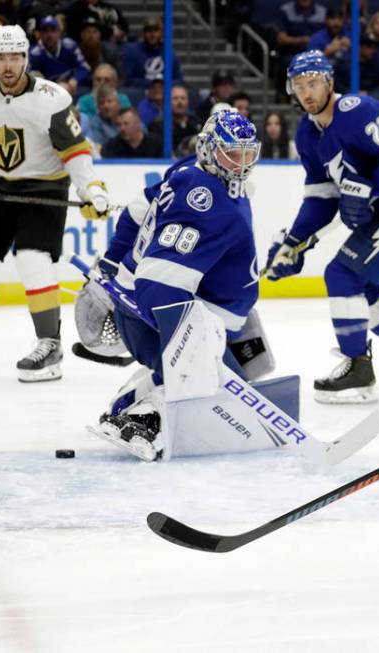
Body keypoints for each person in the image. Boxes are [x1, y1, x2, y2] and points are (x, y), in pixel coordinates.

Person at [264, 51, 379, 403]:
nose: (307, 92)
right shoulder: (307, 134)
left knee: (341, 275)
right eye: (299, 85)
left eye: (314, 83)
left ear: (330, 82)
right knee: (359, 285)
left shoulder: (356, 110)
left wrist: (368, 189)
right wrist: (295, 240)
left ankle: (358, 370)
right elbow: (322, 197)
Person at [90, 111, 267, 462]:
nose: (241, 164)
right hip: (156, 317)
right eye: (232, 153)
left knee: (248, 378)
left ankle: (136, 394)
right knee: (217, 399)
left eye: (248, 154)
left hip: (198, 313)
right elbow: (159, 284)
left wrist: (112, 261)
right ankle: (143, 416)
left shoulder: (191, 170)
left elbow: (136, 211)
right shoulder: (204, 198)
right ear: (208, 150)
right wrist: (189, 351)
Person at [0, 24, 110, 382]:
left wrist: (91, 189)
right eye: (0, 57)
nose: (8, 65)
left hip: (44, 189)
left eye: (15, 57)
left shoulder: (50, 98)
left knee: (31, 259)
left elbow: (75, 151)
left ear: (26, 58)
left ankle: (50, 345)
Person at [27, 15, 90, 94]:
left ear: (59, 32)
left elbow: (85, 67)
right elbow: (29, 79)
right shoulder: (34, 54)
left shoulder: (70, 45)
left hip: (72, 87)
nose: (49, 35)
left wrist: (75, 79)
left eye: (53, 30)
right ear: (40, 34)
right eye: (45, 31)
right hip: (47, 93)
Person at [121, 16, 183, 88]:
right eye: (149, 30)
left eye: (156, 30)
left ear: (161, 33)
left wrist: (161, 85)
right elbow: (127, 80)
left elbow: (179, 80)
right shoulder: (132, 51)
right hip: (139, 94)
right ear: (143, 33)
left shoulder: (169, 52)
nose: (152, 34)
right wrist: (152, 84)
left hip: (164, 94)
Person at [149, 85, 201, 151]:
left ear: (188, 102)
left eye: (183, 98)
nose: (180, 102)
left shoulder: (197, 123)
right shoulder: (157, 126)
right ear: (167, 102)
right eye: (175, 98)